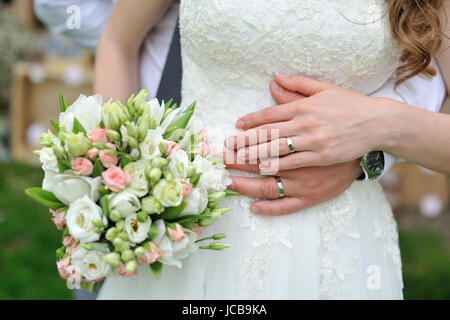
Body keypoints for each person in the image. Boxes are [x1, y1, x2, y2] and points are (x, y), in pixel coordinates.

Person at [38, 0, 447, 299]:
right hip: (184, 221)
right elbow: (118, 41)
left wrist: (383, 125)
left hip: (335, 240)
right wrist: (115, 178)